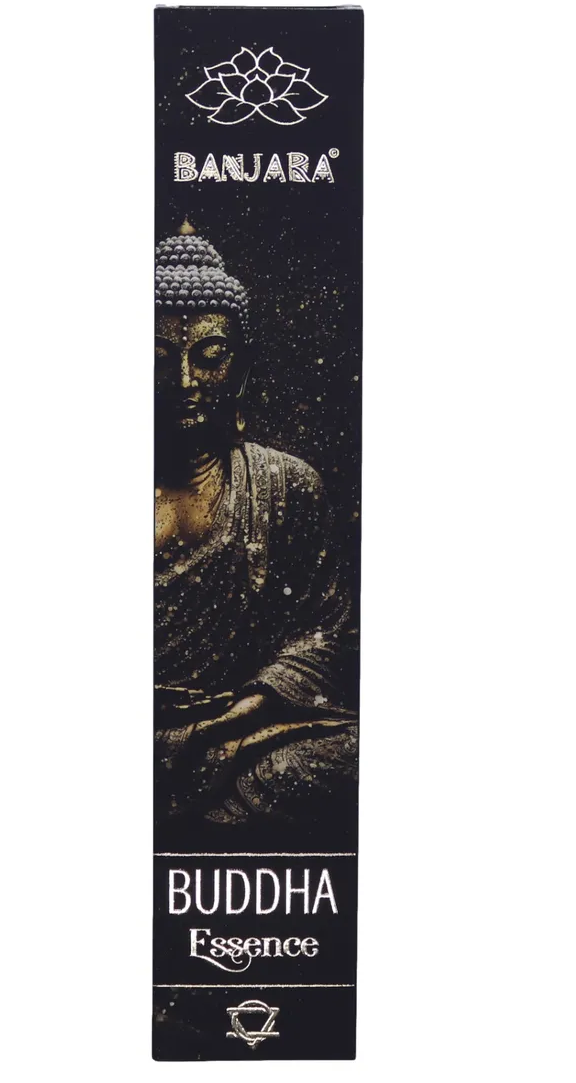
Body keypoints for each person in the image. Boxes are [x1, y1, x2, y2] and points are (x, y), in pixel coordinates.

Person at [154, 221, 358, 826]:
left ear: (241, 368)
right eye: (156, 358)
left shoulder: (286, 485)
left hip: (244, 728)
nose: (184, 382)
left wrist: (240, 716)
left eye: (210, 357)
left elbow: (326, 634)